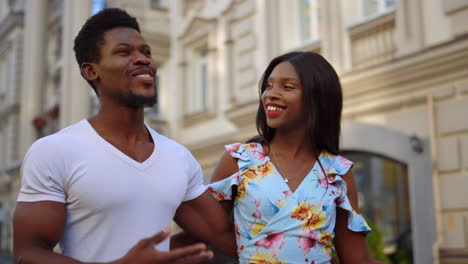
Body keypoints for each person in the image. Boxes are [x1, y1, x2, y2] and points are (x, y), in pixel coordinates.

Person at [13, 8, 235, 264]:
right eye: (124, 52)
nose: (143, 60)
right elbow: (26, 254)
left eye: (146, 52)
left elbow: (225, 236)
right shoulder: (54, 150)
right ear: (90, 71)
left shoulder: (179, 156)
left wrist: (260, 161)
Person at [207, 52, 384, 263]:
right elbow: (202, 233)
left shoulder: (337, 172)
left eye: (287, 87)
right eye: (269, 85)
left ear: (317, 98)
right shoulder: (239, 160)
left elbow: (358, 260)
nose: (270, 94)